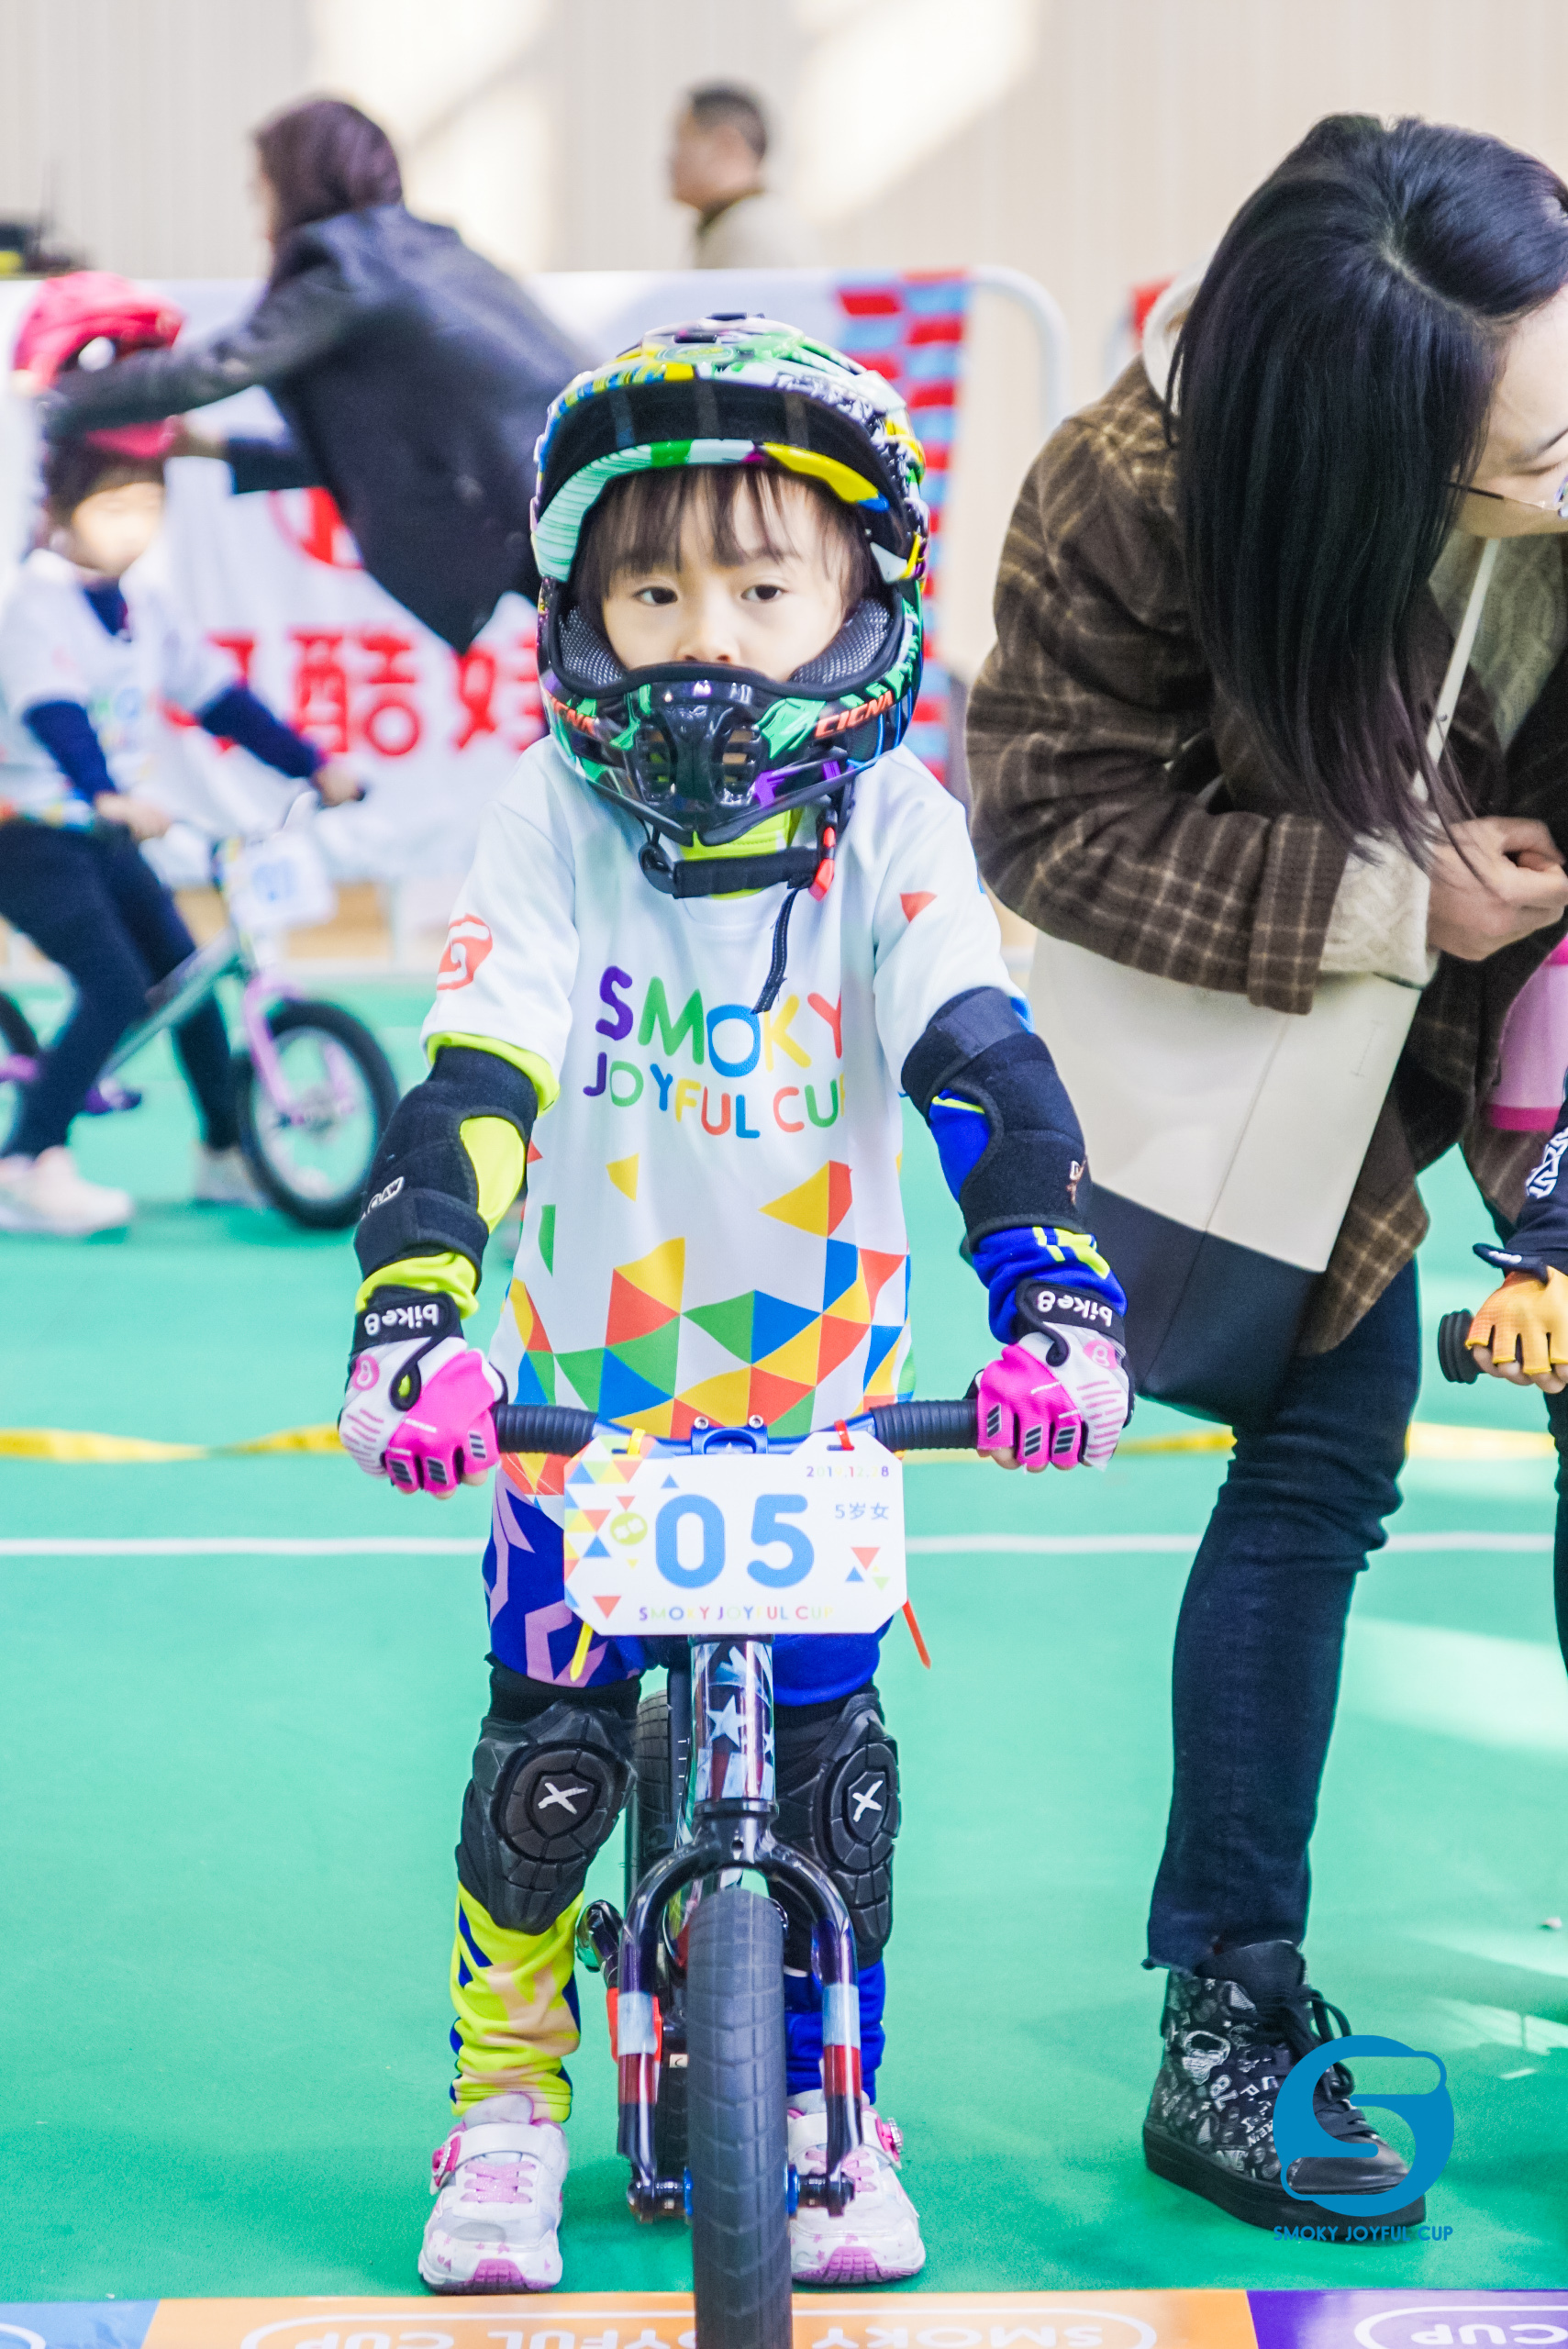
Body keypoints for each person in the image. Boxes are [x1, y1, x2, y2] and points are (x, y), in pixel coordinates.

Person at [336, 316, 1131, 2294]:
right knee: (547, 1764)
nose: (705, 640)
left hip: (818, 1401)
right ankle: (504, 2103)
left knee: (833, 1773)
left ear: (862, 600)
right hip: (580, 1393)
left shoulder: (893, 824)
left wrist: (1050, 1291)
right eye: (653, 593)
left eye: (764, 592)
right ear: (579, 612)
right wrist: (415, 1314)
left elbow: (976, 1060)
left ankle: (833, 2100)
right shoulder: (551, 812)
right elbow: (478, 1082)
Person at [966, 114, 1568, 2239]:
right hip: (1312, 1026)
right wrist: (1389, 897)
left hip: (1550, 1003)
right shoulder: (1132, 493)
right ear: (1363, 466)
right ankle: (1226, 1996)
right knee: (1317, 1452)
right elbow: (1046, 820)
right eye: (1529, 461)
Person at [0, 305, 361, 1237]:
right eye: (113, 507)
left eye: (149, 505)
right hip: (32, 836)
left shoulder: (144, 608)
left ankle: (224, 1153)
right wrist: (104, 792)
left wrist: (314, 765)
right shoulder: (34, 603)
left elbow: (222, 700)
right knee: (116, 984)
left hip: (103, 832)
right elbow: (53, 713)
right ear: (56, 510)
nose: (135, 526)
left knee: (189, 977)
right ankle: (27, 1161)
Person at [33, 97, 585, 654]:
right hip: (569, 489)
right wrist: (213, 448)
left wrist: (49, 398)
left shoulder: (350, 266)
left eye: (262, 195)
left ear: (297, 183)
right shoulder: (419, 251)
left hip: (547, 505)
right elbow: (372, 456)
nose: (260, 227)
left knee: (591, 680)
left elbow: (214, 367)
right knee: (590, 671)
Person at [671, 83, 820, 270]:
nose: (671, 159)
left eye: (681, 141)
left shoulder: (755, 232)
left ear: (726, 145)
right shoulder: (735, 222)